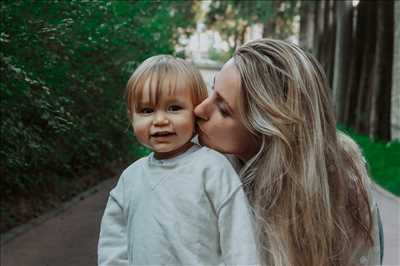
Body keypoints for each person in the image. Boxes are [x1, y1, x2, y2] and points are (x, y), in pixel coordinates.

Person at [194, 39, 382, 266]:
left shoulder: (344, 187)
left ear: (267, 132)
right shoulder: (200, 165)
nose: (200, 109)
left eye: (224, 110)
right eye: (213, 89)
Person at [97, 55, 258, 265]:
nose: (160, 120)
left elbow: (239, 241)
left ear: (195, 111)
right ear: (131, 117)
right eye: (147, 111)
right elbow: (113, 245)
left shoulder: (213, 169)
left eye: (174, 108)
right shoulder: (130, 180)